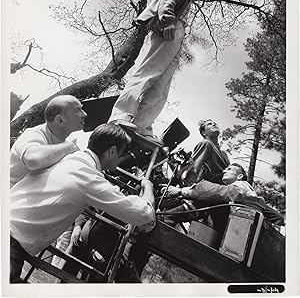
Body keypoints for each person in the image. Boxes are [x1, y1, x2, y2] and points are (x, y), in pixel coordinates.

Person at [10, 123, 156, 283]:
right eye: (122, 154)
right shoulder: (89, 178)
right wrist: (148, 187)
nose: (122, 159)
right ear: (112, 151)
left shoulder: (67, 157)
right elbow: (144, 214)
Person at [109, 0, 214, 141]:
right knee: (146, 74)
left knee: (161, 85)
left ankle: (141, 124)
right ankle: (121, 115)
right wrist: (167, 21)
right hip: (167, 31)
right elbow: (168, 1)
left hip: (175, 39)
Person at [160, 163, 285, 227]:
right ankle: (169, 215)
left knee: (211, 198)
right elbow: (276, 216)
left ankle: (168, 217)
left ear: (240, 176)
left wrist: (183, 191)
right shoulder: (250, 195)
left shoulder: (241, 185)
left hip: (241, 227)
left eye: (229, 169)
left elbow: (221, 193)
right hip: (239, 226)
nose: (224, 171)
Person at [10, 95, 87, 188]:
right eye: (77, 110)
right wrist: (70, 146)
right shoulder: (33, 134)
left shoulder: (62, 145)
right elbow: (33, 160)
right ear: (60, 120)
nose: (84, 114)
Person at [181, 119, 230, 186]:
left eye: (215, 123)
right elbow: (195, 167)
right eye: (209, 124)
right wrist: (186, 188)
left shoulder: (224, 154)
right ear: (204, 133)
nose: (214, 124)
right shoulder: (205, 143)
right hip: (207, 187)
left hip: (221, 189)